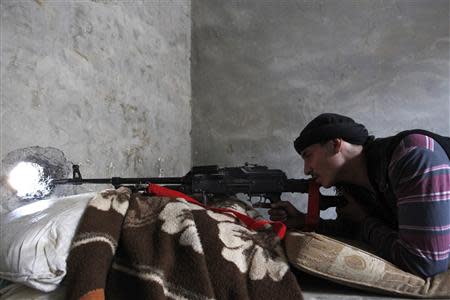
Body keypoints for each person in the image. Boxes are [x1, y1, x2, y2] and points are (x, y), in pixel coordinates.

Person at [269, 113, 450, 278]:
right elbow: (354, 229)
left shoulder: (412, 157)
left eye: (308, 155)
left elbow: (425, 263)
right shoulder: (356, 184)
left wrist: (365, 223)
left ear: (335, 144)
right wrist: (305, 221)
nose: (306, 169)